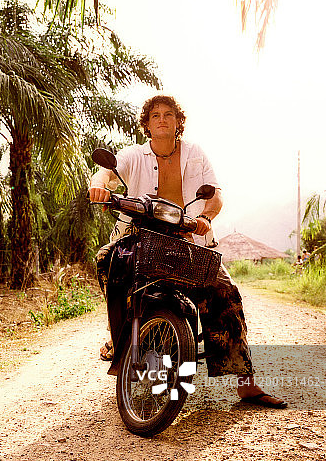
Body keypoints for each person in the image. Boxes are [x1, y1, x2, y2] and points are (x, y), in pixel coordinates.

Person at [89, 94, 287, 409]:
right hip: (140, 233)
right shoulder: (134, 154)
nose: (162, 119)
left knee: (225, 290)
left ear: (179, 122)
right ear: (147, 124)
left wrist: (205, 218)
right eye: (155, 115)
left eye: (169, 114)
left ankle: (246, 384)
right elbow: (109, 173)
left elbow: (215, 193)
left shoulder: (195, 154)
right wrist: (99, 186)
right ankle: (119, 337)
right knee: (107, 260)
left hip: (189, 238)